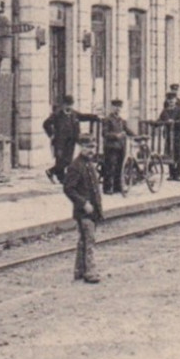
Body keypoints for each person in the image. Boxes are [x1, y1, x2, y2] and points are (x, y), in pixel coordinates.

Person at [61, 137, 104, 283]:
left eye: (93, 147)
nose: (91, 150)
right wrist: (83, 203)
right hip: (84, 211)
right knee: (89, 240)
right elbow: (68, 189)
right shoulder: (76, 166)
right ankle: (90, 272)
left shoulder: (88, 164)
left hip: (92, 210)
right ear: (80, 147)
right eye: (88, 147)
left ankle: (79, 271)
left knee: (83, 241)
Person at [42, 95, 84, 184]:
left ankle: (60, 177)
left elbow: (83, 117)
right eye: (67, 104)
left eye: (71, 104)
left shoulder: (74, 113)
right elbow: (46, 124)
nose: (69, 107)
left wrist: (95, 117)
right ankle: (51, 172)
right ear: (63, 104)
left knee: (68, 160)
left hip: (71, 141)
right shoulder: (57, 114)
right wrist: (51, 134)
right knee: (61, 160)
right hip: (60, 141)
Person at [100, 98, 129, 195]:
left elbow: (127, 130)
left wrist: (138, 136)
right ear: (112, 108)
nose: (117, 109)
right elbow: (104, 133)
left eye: (119, 107)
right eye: (116, 107)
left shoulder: (121, 120)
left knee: (119, 167)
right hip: (111, 147)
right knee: (110, 167)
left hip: (121, 147)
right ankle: (108, 188)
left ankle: (117, 187)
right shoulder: (107, 120)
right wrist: (116, 136)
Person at [159, 86, 180, 181]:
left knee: (179, 154)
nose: (171, 101)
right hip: (168, 136)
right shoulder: (165, 111)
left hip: (178, 135)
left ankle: (179, 174)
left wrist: (174, 122)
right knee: (169, 153)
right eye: (169, 99)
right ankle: (171, 174)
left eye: (173, 99)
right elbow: (160, 119)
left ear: (176, 100)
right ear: (167, 101)